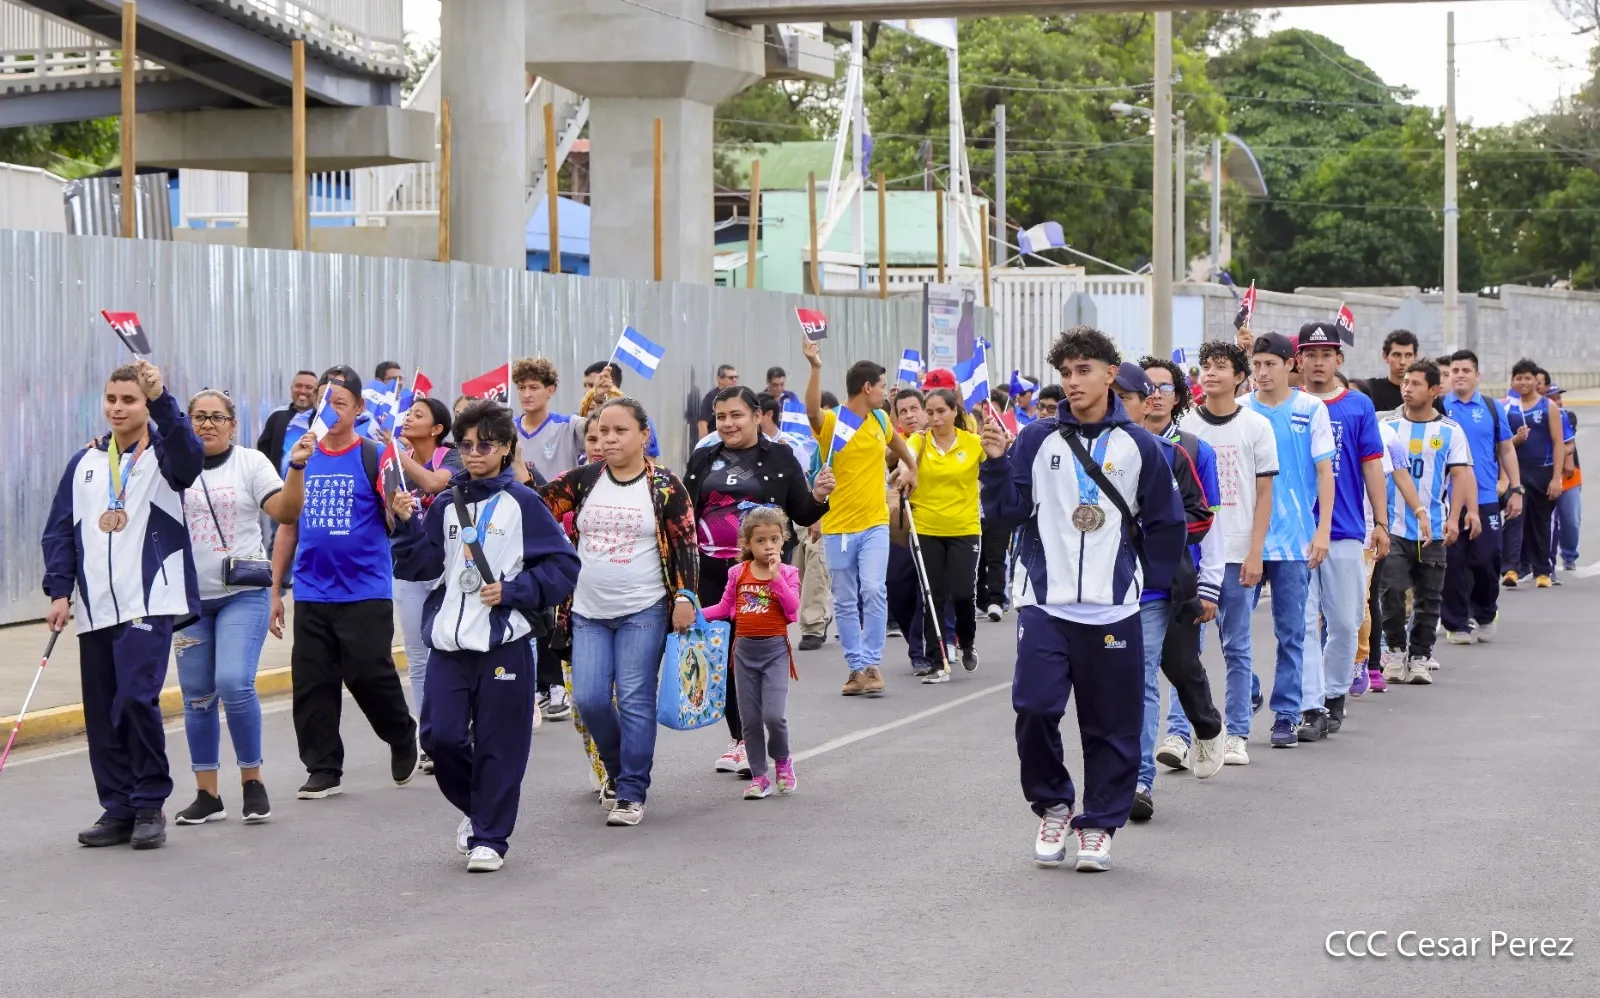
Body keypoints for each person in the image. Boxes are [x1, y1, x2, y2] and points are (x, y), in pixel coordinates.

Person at [980, 326, 1187, 874]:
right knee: (1034, 708)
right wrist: (997, 464)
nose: (1072, 382)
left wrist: (1143, 583)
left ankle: (1098, 825)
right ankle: (1052, 803)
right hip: (1045, 603)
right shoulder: (1034, 439)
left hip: (1114, 606)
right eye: (1066, 373)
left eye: (1083, 371)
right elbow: (1004, 517)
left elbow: (1167, 524)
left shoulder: (1140, 445)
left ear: (1110, 374)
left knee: (1110, 724)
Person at [389, 401, 579, 872]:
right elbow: (420, 566)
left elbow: (564, 567)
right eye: (466, 445)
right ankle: (481, 810)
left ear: (505, 448)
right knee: (440, 738)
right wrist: (406, 524)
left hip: (504, 644)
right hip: (450, 645)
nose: (474, 453)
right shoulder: (446, 505)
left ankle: (490, 837)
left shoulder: (524, 504)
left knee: (501, 743)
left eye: (485, 445)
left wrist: (514, 591)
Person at [43, 360, 203, 850]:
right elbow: (60, 530)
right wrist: (58, 590)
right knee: (102, 711)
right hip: (95, 606)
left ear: (144, 404)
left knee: (135, 699)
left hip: (149, 601)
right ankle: (117, 806)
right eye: (111, 399)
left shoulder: (165, 457)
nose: (117, 408)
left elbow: (190, 458)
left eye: (128, 400)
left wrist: (161, 399)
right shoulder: (85, 462)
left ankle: (150, 801)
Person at [539, 397, 698, 827]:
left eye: (619, 430)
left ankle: (631, 792)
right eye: (602, 431)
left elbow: (685, 544)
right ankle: (616, 769)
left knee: (633, 699)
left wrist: (685, 598)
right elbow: (537, 507)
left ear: (644, 435)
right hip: (588, 610)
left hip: (643, 610)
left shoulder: (666, 485)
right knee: (589, 699)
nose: (608, 439)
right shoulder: (583, 479)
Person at [269, 366, 419, 800]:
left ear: (357, 408)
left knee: (369, 674)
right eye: (323, 402)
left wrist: (401, 506)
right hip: (312, 592)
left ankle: (400, 733)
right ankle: (323, 766)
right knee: (312, 683)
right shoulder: (302, 456)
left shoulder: (375, 455)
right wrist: (276, 589)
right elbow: (287, 524)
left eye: (339, 402)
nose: (330, 410)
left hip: (365, 591)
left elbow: (394, 511)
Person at [172, 390, 311, 826]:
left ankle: (253, 781)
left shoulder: (251, 463)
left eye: (217, 417)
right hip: (189, 600)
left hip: (243, 595)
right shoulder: (172, 468)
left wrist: (298, 468)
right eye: (198, 417)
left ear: (233, 425)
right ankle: (207, 794)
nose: (207, 424)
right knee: (197, 699)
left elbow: (286, 512)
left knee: (233, 682)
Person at [682, 387, 832, 775]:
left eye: (736, 415)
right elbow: (684, 512)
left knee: (752, 655)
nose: (728, 424)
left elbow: (800, 509)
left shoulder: (780, 456)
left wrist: (817, 496)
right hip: (709, 573)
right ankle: (742, 740)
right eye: (721, 417)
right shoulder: (703, 458)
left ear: (756, 415)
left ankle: (765, 732)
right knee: (726, 656)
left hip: (760, 577)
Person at [1169, 340, 1277, 766]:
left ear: (1239, 377)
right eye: (1205, 367)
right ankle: (1180, 734)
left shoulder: (1256, 426)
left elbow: (1265, 493)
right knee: (1182, 651)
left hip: (1237, 553)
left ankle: (1236, 734)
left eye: (1220, 367)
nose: (1210, 374)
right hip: (1190, 557)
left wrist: (1256, 551)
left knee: (1237, 647)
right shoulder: (1185, 427)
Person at [1129, 358, 1226, 821]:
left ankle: (1206, 726)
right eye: (1145, 389)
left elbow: (1209, 520)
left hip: (1177, 582)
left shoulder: (1187, 451)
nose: (1155, 396)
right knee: (1141, 676)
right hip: (1125, 591)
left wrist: (1210, 586)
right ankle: (1140, 780)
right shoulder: (1097, 448)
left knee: (1181, 666)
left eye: (1163, 388)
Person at [803, 337, 919, 697]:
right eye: (882, 386)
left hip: (874, 523)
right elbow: (811, 412)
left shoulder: (881, 419)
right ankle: (855, 668)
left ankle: (871, 663)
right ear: (867, 388)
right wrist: (816, 368)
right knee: (845, 600)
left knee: (872, 588)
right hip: (838, 526)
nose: (886, 393)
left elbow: (897, 444)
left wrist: (911, 466)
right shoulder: (834, 421)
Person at [1292, 324, 1391, 740]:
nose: (1318, 361)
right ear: (1297, 359)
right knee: (1301, 624)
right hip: (1295, 531)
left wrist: (1381, 522)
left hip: (1345, 530)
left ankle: (1334, 693)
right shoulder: (1287, 404)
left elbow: (1371, 464)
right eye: (1310, 353)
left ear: (1339, 359)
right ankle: (1311, 705)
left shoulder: (1358, 406)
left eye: (1326, 354)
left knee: (1346, 621)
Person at [1235, 332, 1334, 749]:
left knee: (1291, 632)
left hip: (1294, 540)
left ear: (1289, 364)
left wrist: (1323, 529)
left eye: (1269, 364)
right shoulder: (1240, 409)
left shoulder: (1311, 409)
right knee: (1232, 629)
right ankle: (1251, 689)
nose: (1261, 372)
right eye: (1256, 365)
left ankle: (1286, 714)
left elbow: (1325, 473)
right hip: (1246, 539)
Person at [1380, 360, 1479, 683]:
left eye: (1416, 384)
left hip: (1434, 529)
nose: (1407, 389)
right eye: (1405, 383)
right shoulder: (1389, 428)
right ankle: (1394, 650)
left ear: (1435, 390)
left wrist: (1455, 519)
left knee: (1429, 596)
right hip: (1393, 526)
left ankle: (1420, 655)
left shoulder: (1449, 431)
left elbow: (1462, 474)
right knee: (1392, 591)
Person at [701, 507, 802, 799]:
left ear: (783, 540)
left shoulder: (788, 573)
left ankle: (782, 762)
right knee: (750, 721)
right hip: (744, 653)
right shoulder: (737, 573)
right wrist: (694, 614)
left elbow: (793, 610)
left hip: (775, 652)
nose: (768, 545)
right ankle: (760, 777)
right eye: (761, 540)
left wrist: (775, 578)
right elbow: (724, 608)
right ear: (747, 543)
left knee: (774, 716)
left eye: (774, 539)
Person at [389, 398, 466, 772]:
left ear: (437, 429)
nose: (408, 418)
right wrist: (397, 509)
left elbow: (437, 485)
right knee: (418, 660)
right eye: (408, 413)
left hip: (447, 569)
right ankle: (428, 739)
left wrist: (399, 456)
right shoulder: (395, 461)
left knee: (449, 653)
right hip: (408, 567)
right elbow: (386, 514)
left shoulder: (450, 458)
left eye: (418, 415)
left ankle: (458, 728)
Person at [511, 357, 584, 721]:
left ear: (550, 390)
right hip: (518, 524)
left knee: (557, 604)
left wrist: (600, 400)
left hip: (561, 526)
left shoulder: (568, 426)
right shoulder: (508, 429)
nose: (527, 394)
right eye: (521, 387)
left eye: (534, 387)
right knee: (532, 602)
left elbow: (604, 428)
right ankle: (542, 684)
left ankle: (558, 684)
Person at [904, 388, 984, 682]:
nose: (935, 418)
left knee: (963, 593)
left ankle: (967, 642)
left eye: (941, 411)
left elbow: (998, 465)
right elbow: (906, 459)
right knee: (932, 596)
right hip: (926, 527)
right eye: (930, 411)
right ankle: (937, 661)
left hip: (965, 528)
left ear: (955, 412)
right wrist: (905, 471)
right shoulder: (919, 441)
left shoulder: (973, 443)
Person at [1441, 350, 1520, 644]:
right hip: (1447, 501)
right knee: (1452, 563)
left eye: (1465, 370)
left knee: (1487, 560)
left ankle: (1486, 612)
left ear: (1477, 375)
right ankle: (1456, 623)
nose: (1459, 375)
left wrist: (1515, 488)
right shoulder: (1439, 406)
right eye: (1454, 370)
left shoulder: (1490, 407)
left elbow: (1507, 449)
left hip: (1486, 496)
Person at [1502, 358, 1564, 588]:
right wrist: (1515, 440)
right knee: (1513, 517)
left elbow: (1558, 443)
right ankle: (1510, 568)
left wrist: (1556, 478)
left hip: (1543, 471)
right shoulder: (1506, 407)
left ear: (1535, 381)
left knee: (1541, 521)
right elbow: (1502, 444)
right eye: (1519, 378)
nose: (1523, 382)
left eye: (1528, 378)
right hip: (1516, 472)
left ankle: (1543, 571)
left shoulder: (1547, 406)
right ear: (1512, 381)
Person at [255, 370, 319, 473]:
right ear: (291, 388)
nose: (303, 391)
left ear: (317, 392)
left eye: (309, 387)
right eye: (298, 386)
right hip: (279, 485)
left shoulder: (322, 420)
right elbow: (263, 451)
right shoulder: (277, 416)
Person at [1552, 389, 1581, 572]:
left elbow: (1568, 443)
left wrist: (1568, 459)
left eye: (1559, 398)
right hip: (1545, 477)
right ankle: (1543, 561)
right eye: (1553, 398)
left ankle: (1569, 555)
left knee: (1571, 519)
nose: (1557, 402)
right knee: (1547, 523)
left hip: (1570, 478)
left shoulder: (1567, 417)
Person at [1362, 330, 1419, 415]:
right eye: (1396, 355)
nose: (1402, 362)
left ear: (1415, 357)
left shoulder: (1426, 392)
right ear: (1385, 356)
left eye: (1408, 355)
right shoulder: (1370, 389)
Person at [697, 364, 740, 439]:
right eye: (731, 378)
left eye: (736, 377)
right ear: (720, 379)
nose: (734, 380)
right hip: (717, 444)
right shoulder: (711, 398)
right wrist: (705, 447)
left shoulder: (739, 397)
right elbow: (702, 424)